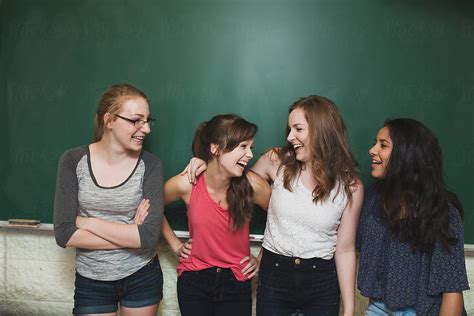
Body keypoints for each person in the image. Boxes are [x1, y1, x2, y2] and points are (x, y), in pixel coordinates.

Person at [185, 96, 363, 315]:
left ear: (322, 129)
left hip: (321, 282)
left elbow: (345, 250)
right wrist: (207, 163)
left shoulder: (350, 185)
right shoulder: (275, 161)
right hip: (275, 277)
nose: (290, 137)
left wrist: (349, 310)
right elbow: (230, 180)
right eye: (289, 129)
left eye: (298, 129)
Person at [53, 83, 164, 315]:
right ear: (109, 120)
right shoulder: (73, 160)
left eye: (147, 121)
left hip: (141, 275)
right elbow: (64, 233)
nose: (146, 129)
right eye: (136, 120)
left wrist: (87, 223)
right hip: (91, 281)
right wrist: (130, 231)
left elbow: (149, 236)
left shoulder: (151, 165)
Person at [357, 118, 469, 315]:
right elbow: (349, 242)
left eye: (383, 145)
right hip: (379, 307)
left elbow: (452, 289)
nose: (372, 150)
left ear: (406, 155)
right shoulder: (373, 198)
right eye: (375, 143)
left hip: (424, 311)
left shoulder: (443, 212)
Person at [161, 114, 271, 316]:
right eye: (243, 146)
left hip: (236, 282)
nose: (249, 155)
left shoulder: (253, 185)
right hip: (194, 281)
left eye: (251, 148)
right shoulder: (188, 183)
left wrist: (261, 257)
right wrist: (176, 245)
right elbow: (153, 206)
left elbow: (282, 217)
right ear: (216, 148)